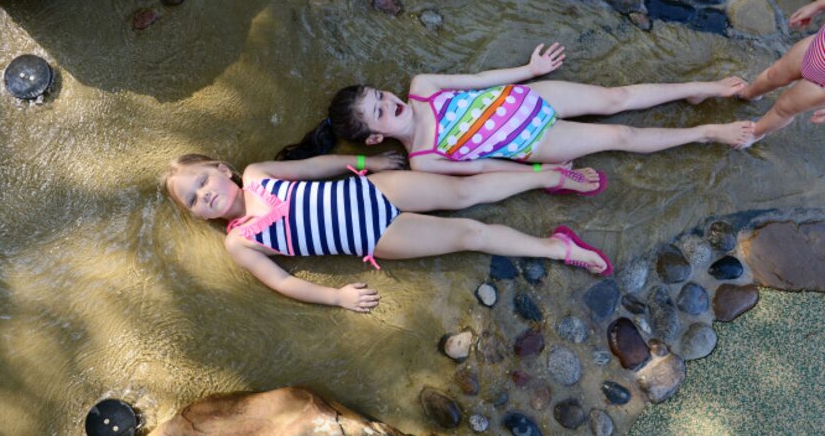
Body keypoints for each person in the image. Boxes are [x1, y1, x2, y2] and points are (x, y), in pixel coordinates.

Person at [164, 153, 612, 312]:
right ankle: (558, 247)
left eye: (203, 181)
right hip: (379, 235)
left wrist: (366, 163)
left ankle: (547, 177)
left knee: (463, 193)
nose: (205, 195)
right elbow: (282, 282)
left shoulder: (258, 173)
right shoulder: (238, 242)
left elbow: (316, 167)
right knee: (468, 233)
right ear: (198, 216)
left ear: (222, 169)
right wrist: (336, 296)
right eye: (193, 199)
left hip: (374, 189)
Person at [278, 43, 754, 174]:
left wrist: (529, 70)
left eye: (380, 95)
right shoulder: (423, 159)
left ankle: (699, 87)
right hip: (533, 143)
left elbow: (481, 81)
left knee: (616, 99)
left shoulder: (422, 87)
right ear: (376, 137)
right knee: (620, 138)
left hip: (530, 98)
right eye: (380, 112)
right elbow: (485, 167)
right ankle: (706, 132)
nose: (390, 102)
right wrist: (541, 175)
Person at [737, 0, 825, 147]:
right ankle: (749, 93)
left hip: (821, 85)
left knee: (785, 107)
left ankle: (755, 132)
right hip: (818, 47)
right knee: (774, 74)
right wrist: (817, 5)